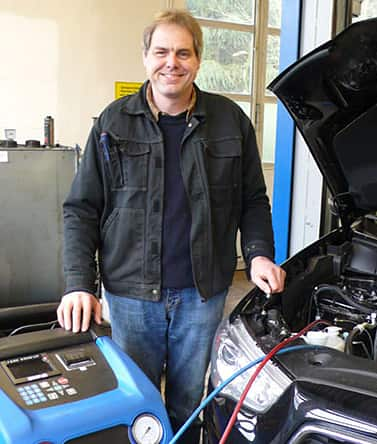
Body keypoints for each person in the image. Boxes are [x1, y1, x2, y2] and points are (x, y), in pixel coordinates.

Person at [57, 8, 286, 443]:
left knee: (186, 404)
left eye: (183, 53)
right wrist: (77, 283)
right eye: (161, 51)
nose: (172, 62)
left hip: (201, 295)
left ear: (198, 60)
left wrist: (258, 254)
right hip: (130, 296)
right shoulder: (112, 122)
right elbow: (81, 209)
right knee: (134, 403)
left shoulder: (230, 121)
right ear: (146, 57)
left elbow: (253, 199)